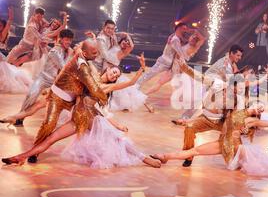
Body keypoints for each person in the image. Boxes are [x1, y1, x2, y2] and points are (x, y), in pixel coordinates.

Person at [2, 53, 162, 168]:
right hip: (76, 121)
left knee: (118, 139)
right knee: (50, 139)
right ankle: (20, 157)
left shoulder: (107, 87)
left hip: (93, 120)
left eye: (117, 75)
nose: (115, 75)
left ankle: (145, 158)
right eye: (114, 71)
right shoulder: (89, 77)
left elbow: (130, 83)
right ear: (108, 69)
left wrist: (141, 68)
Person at [151, 101, 268, 177]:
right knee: (195, 151)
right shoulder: (235, 111)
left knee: (257, 162)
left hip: (234, 146)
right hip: (222, 143)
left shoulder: (251, 120)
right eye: (257, 106)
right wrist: (187, 121)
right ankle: (165, 157)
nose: (259, 109)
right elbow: (214, 113)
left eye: (260, 109)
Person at [0, 29, 75, 126]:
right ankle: (19, 118)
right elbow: (64, 67)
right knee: (31, 95)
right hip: (43, 78)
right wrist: (70, 54)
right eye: (66, 40)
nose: (68, 42)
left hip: (55, 81)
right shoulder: (55, 51)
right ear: (60, 39)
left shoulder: (64, 50)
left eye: (70, 40)